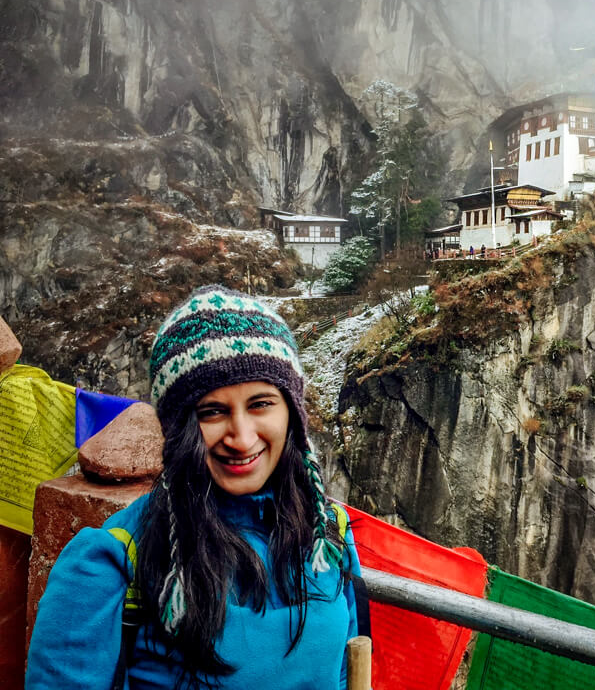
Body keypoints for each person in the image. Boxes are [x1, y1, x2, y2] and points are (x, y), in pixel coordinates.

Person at [26, 285, 361, 689]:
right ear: (178, 428)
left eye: (260, 404)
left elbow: (344, 669)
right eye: (212, 411)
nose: (240, 436)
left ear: (291, 412)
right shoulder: (111, 561)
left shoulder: (327, 532)